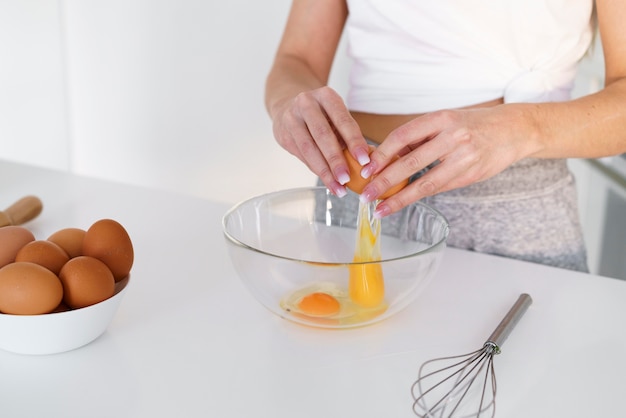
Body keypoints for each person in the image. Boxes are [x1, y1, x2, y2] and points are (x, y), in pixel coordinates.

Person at [264, 0, 626, 272]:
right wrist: (287, 105)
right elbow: (298, 59)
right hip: (356, 191)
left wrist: (523, 127)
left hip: (510, 208)